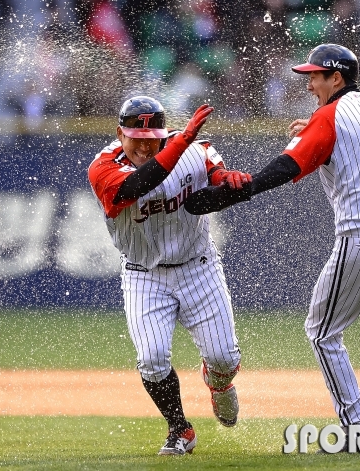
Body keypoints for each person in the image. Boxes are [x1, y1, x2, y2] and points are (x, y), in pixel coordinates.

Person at [185, 43, 360, 453]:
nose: (309, 81)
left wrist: (233, 194)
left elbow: (285, 168)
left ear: (337, 77)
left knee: (321, 332)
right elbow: (346, 138)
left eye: (316, 75)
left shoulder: (328, 117)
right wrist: (315, 127)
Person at [87, 96, 252, 456]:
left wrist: (229, 183)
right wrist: (178, 141)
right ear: (119, 133)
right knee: (152, 358)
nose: (144, 146)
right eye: (135, 138)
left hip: (199, 266)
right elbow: (135, 187)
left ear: (163, 134)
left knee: (224, 358)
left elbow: (216, 176)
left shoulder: (195, 146)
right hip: (143, 274)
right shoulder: (103, 165)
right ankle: (180, 428)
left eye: (153, 138)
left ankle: (219, 384)